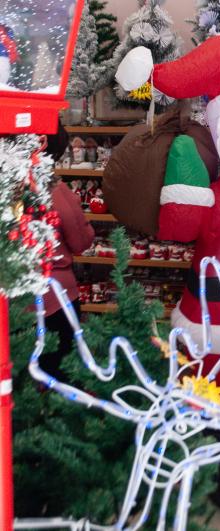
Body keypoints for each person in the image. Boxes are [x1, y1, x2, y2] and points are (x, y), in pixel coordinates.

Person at [38, 122, 95, 381]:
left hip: (12, 299)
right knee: (60, 371)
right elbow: (82, 241)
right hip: (56, 296)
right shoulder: (57, 191)